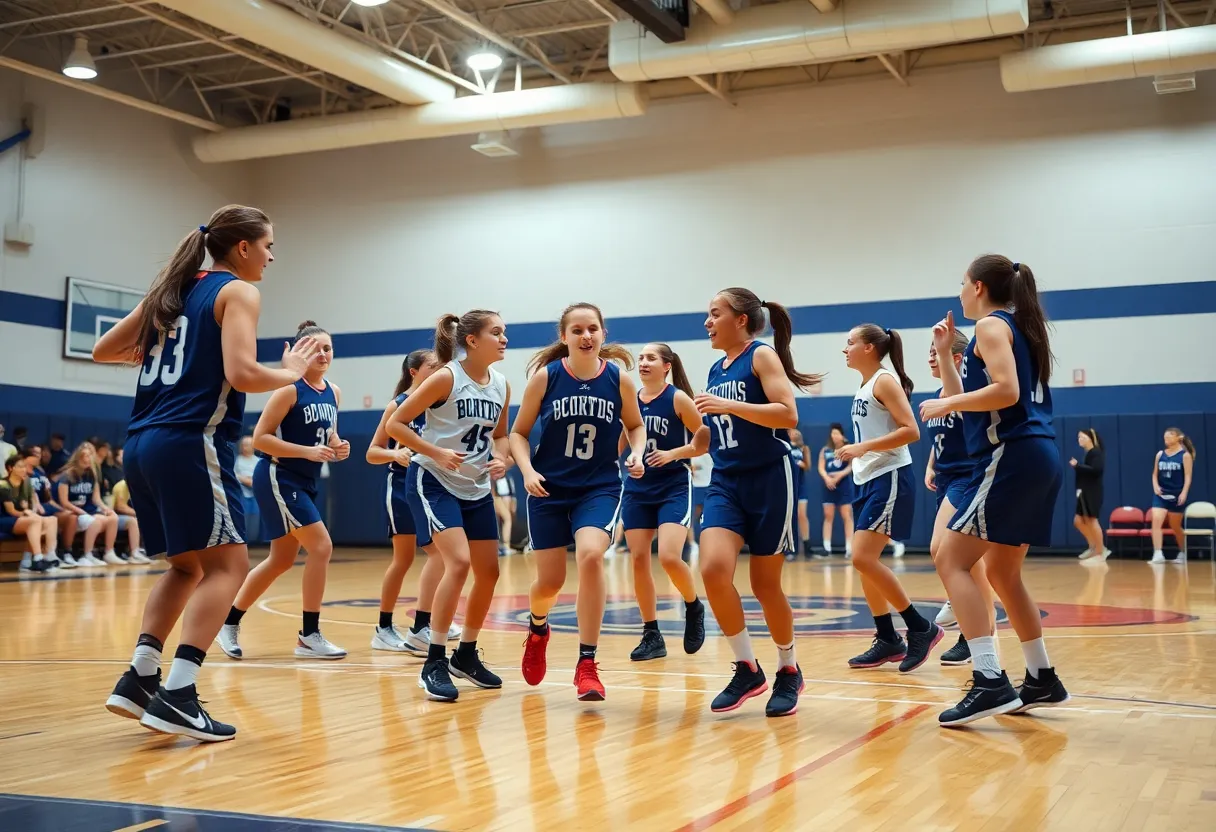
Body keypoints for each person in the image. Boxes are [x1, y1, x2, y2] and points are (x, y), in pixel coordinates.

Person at [94, 205, 322, 742]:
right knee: (229, 566)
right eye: (268, 245)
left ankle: (139, 678)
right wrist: (289, 371)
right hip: (190, 441)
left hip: (141, 444)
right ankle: (179, 692)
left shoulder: (170, 292)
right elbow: (242, 373)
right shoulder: (237, 292)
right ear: (242, 248)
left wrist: (168, 353)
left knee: (186, 568)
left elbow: (105, 350)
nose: (271, 255)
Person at [919, 255, 1068, 727]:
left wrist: (946, 399)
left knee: (951, 558)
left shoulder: (989, 326)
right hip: (1037, 456)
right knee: (1003, 574)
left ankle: (989, 680)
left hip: (1013, 455)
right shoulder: (1022, 327)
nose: (960, 292)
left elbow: (1005, 391)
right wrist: (945, 357)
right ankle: (1041, 676)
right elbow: (986, 398)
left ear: (979, 287)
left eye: (962, 283)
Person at [509, 302, 647, 701]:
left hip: (598, 487)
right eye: (578, 330)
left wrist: (635, 452)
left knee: (590, 555)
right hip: (548, 489)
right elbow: (518, 434)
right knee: (549, 582)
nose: (586, 336)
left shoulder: (618, 379)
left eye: (593, 329)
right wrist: (528, 470)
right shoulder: (546, 378)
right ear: (564, 337)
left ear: (603, 334)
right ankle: (538, 626)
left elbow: (635, 426)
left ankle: (587, 663)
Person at [695, 288, 817, 718]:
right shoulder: (715, 366)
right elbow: (722, 427)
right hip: (726, 479)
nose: (707, 322)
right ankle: (747, 666)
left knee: (765, 585)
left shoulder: (761, 356)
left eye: (714, 314)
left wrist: (729, 403)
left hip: (770, 477)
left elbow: (788, 414)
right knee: (711, 569)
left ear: (741, 320)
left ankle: (788, 668)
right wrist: (680, 450)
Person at [386, 310, 512, 701]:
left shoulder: (502, 384)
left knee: (488, 572)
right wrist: (433, 451)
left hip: (474, 486)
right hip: (434, 481)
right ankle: (434, 660)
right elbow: (396, 424)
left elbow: (503, 436)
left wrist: (502, 459)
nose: (504, 338)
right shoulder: (446, 377)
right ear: (472, 341)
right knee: (457, 563)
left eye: (504, 332)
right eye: (496, 332)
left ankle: (466, 655)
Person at [217, 321, 351, 661]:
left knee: (280, 560)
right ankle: (309, 634)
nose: (322, 354)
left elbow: (329, 433)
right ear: (299, 353)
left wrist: (338, 445)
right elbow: (261, 438)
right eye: (314, 348)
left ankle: (228, 622)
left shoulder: (333, 391)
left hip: (303, 480)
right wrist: (306, 452)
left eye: (327, 348)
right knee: (321, 547)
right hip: (279, 476)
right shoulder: (289, 389)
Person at [838, 325, 942, 673]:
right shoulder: (866, 385)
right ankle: (886, 638)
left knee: (863, 557)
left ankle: (919, 627)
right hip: (866, 478)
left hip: (889, 476)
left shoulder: (884, 381)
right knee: (863, 561)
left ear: (869, 348)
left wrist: (863, 447)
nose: (845, 349)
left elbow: (911, 430)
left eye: (850, 343)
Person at [619, 343, 709, 661]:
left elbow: (704, 439)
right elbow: (623, 441)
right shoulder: (628, 399)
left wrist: (673, 454)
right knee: (639, 559)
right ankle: (651, 634)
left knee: (670, 557)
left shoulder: (678, 398)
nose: (643, 362)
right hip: (638, 488)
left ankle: (693, 605)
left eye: (650, 358)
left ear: (666, 366)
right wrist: (630, 459)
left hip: (673, 484)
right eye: (640, 358)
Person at [366, 349, 457, 653]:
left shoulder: (438, 403)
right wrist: (395, 453)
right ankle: (384, 627)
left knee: (440, 555)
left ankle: (424, 622)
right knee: (406, 559)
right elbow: (372, 452)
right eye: (433, 366)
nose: (439, 370)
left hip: (430, 488)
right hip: (400, 487)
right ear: (414, 372)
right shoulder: (399, 405)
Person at [924, 329, 996, 666]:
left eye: (934, 352)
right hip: (946, 476)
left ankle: (961, 611)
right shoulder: (941, 393)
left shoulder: (963, 390)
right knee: (972, 565)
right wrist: (931, 465)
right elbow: (943, 435)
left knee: (941, 550)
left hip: (967, 476)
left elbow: (958, 405)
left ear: (955, 358)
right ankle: (977, 637)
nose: (929, 357)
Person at [56, 442, 121, 565]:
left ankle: (109, 552)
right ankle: (86, 554)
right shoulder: (67, 475)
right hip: (70, 511)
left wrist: (106, 509)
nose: (88, 459)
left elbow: (96, 499)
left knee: (113, 518)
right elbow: (64, 502)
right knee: (94, 521)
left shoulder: (91, 474)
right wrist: (81, 511)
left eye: (90, 456)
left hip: (85, 512)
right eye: (85, 456)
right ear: (78, 457)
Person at [2, 450, 58, 572]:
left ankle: (49, 556)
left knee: (51, 520)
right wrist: (25, 513)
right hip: (5, 519)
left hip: (20, 518)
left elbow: (28, 504)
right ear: (10, 468)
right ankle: (37, 559)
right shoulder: (3, 485)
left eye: (24, 467)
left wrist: (29, 510)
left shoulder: (25, 483)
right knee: (34, 521)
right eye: (20, 467)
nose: (24, 470)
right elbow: (11, 511)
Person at [1149, 427, 1194, 564]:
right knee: (1156, 520)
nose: (1166, 439)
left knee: (1175, 525)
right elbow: (1154, 474)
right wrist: (1155, 486)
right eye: (1164, 437)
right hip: (1161, 494)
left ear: (1178, 438)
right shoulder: (1160, 454)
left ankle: (1183, 551)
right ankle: (1158, 553)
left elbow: (1187, 476)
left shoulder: (1185, 455)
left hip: (1176, 494)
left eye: (1169, 437)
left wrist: (1184, 492)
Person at [1072, 428, 1110, 562]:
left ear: (1090, 438)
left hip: (1092, 492)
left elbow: (1096, 470)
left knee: (1092, 520)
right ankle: (1093, 546)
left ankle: (1100, 552)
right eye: (1078, 437)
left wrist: (1078, 466)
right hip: (1084, 491)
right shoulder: (1088, 453)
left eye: (1082, 437)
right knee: (1078, 521)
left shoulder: (1096, 453)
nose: (1079, 440)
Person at [817, 424, 854, 558]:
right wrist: (827, 478)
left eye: (837, 433)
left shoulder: (847, 449)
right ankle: (826, 548)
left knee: (846, 516)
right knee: (828, 516)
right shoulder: (825, 450)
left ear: (842, 435)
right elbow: (821, 467)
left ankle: (849, 548)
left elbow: (851, 466)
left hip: (843, 485)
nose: (834, 436)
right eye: (832, 434)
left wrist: (839, 475)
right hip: (829, 486)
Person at [110, 477, 150, 564]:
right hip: (113, 517)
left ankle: (142, 550)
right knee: (134, 521)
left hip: (120, 517)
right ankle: (134, 553)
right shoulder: (122, 486)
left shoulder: (137, 487)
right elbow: (120, 507)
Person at [787, 428, 812, 559]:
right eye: (791, 431)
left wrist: (801, 464)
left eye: (796, 431)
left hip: (800, 486)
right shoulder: (785, 446)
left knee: (802, 515)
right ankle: (792, 549)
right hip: (789, 487)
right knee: (791, 517)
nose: (794, 433)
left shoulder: (804, 448)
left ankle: (807, 547)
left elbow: (808, 466)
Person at [233, 436, 261, 545]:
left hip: (255, 496)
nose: (246, 447)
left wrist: (252, 481)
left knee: (254, 522)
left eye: (249, 445)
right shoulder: (237, 460)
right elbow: (233, 475)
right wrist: (243, 479)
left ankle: (252, 542)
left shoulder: (258, 461)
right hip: (241, 495)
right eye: (244, 445)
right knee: (242, 520)